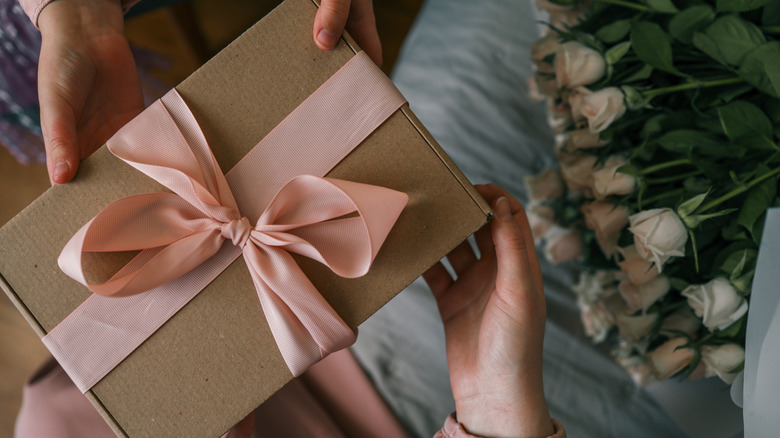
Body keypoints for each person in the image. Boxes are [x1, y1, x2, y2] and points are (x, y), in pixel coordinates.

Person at [16, 0, 565, 436]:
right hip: (462, 383)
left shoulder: (50, 425)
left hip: (398, 234)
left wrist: (80, 15)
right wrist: (497, 410)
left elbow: (109, 344)